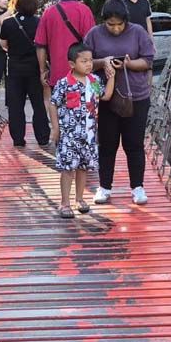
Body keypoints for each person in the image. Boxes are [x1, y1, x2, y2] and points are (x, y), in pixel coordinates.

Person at [83, 0, 156, 206]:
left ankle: (138, 187)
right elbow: (84, 62)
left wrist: (128, 64)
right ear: (104, 21)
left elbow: (148, 61)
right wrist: (102, 62)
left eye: (119, 24)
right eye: (110, 24)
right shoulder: (94, 34)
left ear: (126, 20)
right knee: (107, 144)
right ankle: (104, 187)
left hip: (136, 97)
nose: (115, 29)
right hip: (105, 97)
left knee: (134, 144)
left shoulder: (138, 32)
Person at [49, 44, 116, 219]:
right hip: (69, 136)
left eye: (90, 61)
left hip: (89, 135)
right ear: (72, 64)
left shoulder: (94, 81)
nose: (88, 64)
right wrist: (55, 128)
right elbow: (53, 104)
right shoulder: (64, 84)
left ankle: (79, 199)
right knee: (68, 169)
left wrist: (111, 78)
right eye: (84, 61)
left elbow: (106, 96)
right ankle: (65, 203)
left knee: (83, 168)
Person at [0, 0, 51, 147]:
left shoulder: (7, 23)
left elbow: (3, 44)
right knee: (38, 103)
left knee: (16, 105)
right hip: (35, 67)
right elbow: (45, 45)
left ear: (16, 2)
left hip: (14, 68)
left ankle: (18, 138)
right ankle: (42, 137)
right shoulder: (40, 22)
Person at [36, 0, 97, 91]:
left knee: (59, 102)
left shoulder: (49, 12)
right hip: (81, 74)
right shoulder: (84, 11)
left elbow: (40, 45)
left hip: (57, 75)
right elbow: (91, 43)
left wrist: (43, 70)